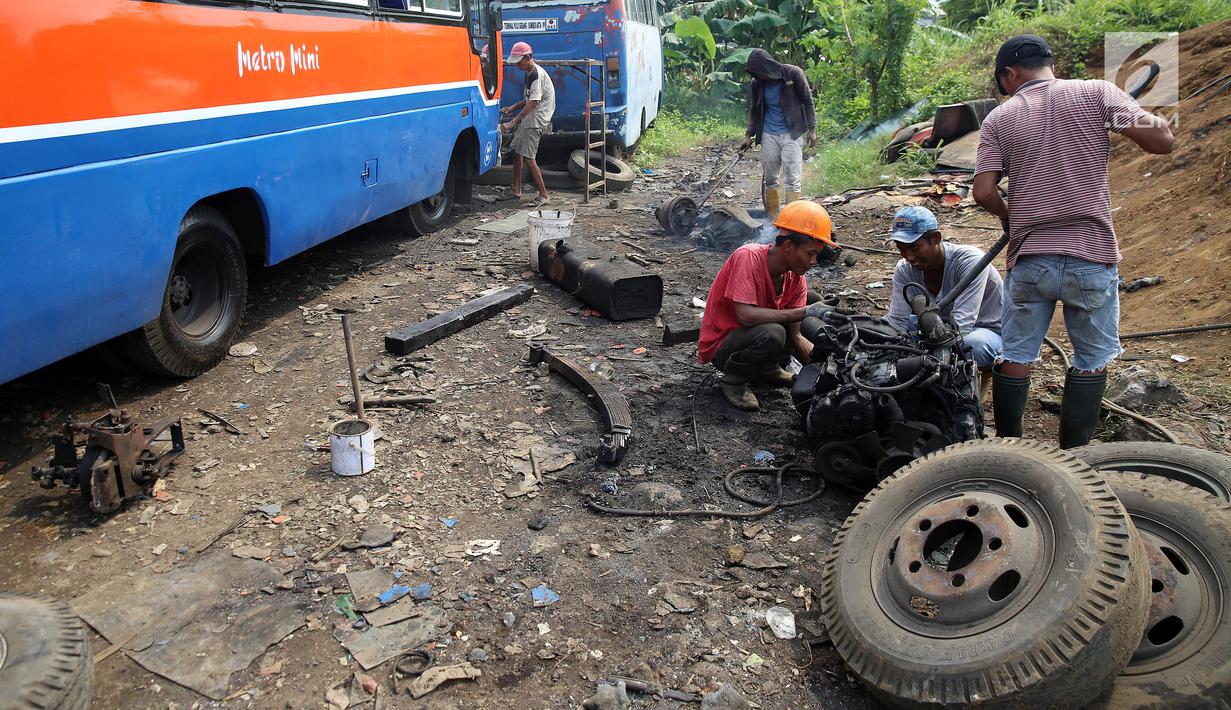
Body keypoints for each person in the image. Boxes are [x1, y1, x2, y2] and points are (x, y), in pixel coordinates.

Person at [972, 34, 1174, 447]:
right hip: (1091, 253)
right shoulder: (1097, 93)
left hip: (1031, 258)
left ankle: (1011, 445)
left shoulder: (1000, 119)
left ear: (1010, 73)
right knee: (1091, 358)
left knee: (1015, 353)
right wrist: (1135, 114)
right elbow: (1162, 142)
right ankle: (1076, 453)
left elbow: (983, 193)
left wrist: (1012, 216)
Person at [698, 201, 836, 411]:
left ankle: (769, 368)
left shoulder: (795, 277)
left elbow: (796, 335)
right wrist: (804, 312)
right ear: (788, 246)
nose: (814, 261)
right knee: (774, 332)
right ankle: (733, 381)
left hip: (751, 337)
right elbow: (744, 316)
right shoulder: (748, 257)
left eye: (816, 255)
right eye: (810, 253)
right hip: (725, 345)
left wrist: (823, 370)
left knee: (812, 299)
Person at [885, 206, 1004, 397]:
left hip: (985, 331)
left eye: (914, 247)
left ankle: (972, 385)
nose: (908, 257)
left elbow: (962, 325)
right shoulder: (905, 269)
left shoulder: (970, 261)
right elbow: (896, 321)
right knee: (886, 332)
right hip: (939, 328)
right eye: (901, 249)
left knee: (971, 344)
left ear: (936, 239)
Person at [739, 49, 818, 220]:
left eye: (760, 73)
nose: (759, 77)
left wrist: (812, 129)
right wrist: (748, 135)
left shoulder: (792, 73)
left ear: (768, 67)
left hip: (792, 133)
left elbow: (807, 101)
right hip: (769, 134)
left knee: (792, 178)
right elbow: (754, 110)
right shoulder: (756, 83)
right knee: (770, 179)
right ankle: (773, 220)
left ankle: (791, 220)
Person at [500, 41, 555, 207]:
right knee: (518, 153)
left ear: (528, 58)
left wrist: (513, 121)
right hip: (530, 117)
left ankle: (544, 195)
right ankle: (516, 190)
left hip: (536, 119)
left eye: (518, 61)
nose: (516, 64)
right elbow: (528, 99)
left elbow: (533, 102)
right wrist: (513, 107)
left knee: (530, 158)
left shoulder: (536, 74)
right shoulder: (529, 72)